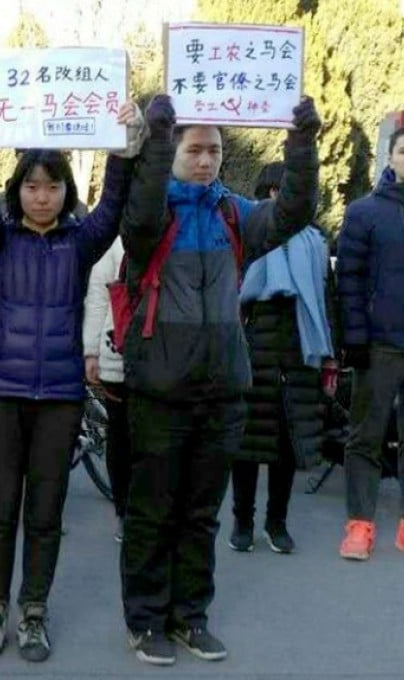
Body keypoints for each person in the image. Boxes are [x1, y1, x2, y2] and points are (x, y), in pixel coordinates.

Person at [119, 94, 320, 666]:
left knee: (202, 514)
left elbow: (294, 213)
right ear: (175, 151)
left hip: (223, 390)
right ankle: (146, 620)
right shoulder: (155, 217)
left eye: (214, 150)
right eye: (193, 149)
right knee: (154, 511)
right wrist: (155, 141)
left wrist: (301, 144)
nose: (205, 160)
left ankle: (190, 617)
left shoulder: (235, 214)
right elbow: (136, 216)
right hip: (160, 389)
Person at [0, 91, 145, 662]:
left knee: (45, 512)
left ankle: (34, 611)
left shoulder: (80, 243)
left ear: (64, 192)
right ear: (18, 190)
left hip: (59, 395)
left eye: (52, 186)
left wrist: (124, 145)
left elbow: (113, 207)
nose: (41, 196)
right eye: (31, 185)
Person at [231, 161, 339, 555]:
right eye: (276, 192)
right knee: (245, 445)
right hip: (251, 348)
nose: (282, 201)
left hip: (300, 355)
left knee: (286, 447)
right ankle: (242, 521)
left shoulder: (315, 243)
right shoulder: (246, 237)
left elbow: (327, 304)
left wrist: (331, 359)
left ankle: (277, 522)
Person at [336, 126, 404, 561]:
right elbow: (349, 281)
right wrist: (354, 339)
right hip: (379, 344)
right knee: (366, 436)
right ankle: (360, 525)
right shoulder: (364, 213)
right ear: (392, 158)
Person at [82, 236, 130, 543]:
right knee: (122, 437)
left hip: (169, 358)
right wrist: (91, 351)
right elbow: (99, 295)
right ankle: (124, 512)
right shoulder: (117, 239)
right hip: (119, 353)